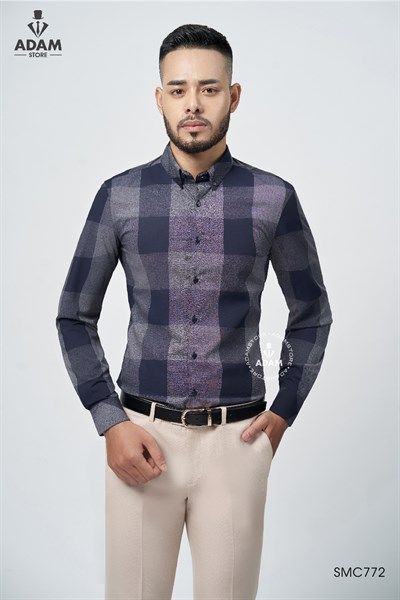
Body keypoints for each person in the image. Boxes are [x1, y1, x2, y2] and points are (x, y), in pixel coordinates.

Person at [56, 23, 333, 600]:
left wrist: (285, 409)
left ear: (233, 96)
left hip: (238, 442)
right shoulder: (120, 196)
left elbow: (311, 313)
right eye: (178, 89)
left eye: (209, 88)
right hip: (140, 437)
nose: (193, 104)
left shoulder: (273, 198)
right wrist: (109, 420)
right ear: (159, 98)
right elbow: (74, 316)